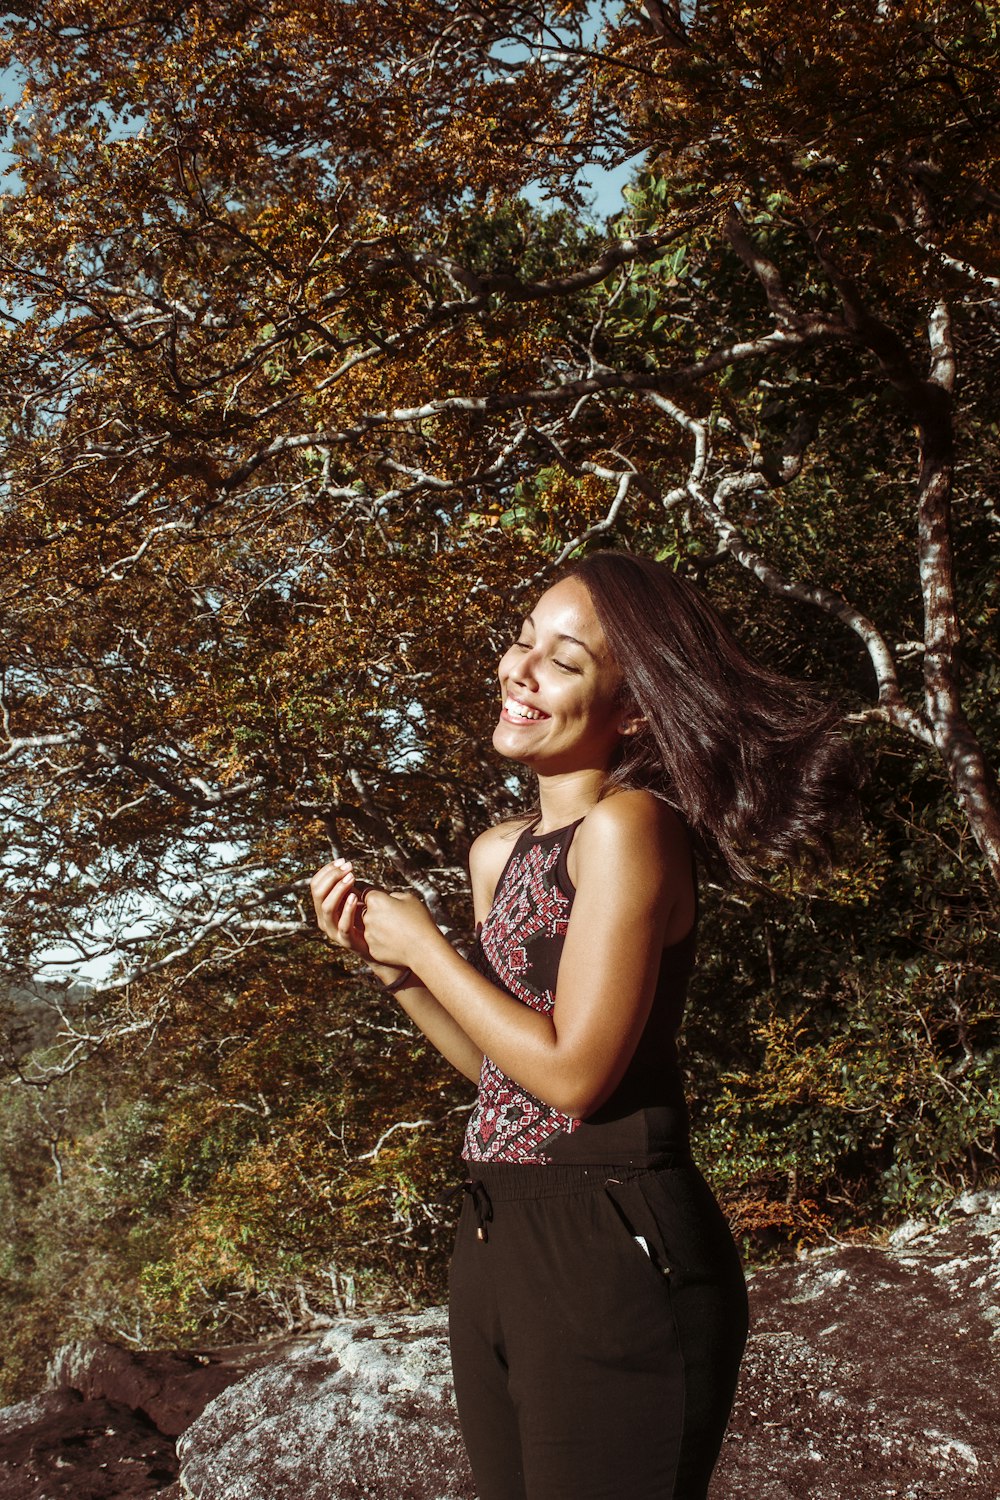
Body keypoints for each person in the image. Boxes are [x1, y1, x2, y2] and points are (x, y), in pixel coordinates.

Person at [310, 550, 860, 1500]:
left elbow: (576, 1079)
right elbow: (507, 1076)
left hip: (615, 1242)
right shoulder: (498, 853)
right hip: (497, 1232)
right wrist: (397, 972)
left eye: (564, 661)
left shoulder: (631, 827)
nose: (520, 670)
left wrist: (435, 949)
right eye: (524, 642)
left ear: (635, 707)